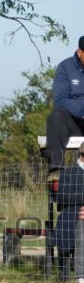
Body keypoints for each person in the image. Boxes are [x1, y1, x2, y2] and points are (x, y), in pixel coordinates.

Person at [46, 36, 84, 185]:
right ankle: (56, 170)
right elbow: (60, 100)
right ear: (79, 52)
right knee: (56, 117)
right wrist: (81, 112)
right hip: (74, 122)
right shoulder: (65, 68)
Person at [55, 142, 84, 283]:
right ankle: (79, 278)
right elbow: (63, 197)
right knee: (75, 226)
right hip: (73, 216)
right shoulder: (68, 173)